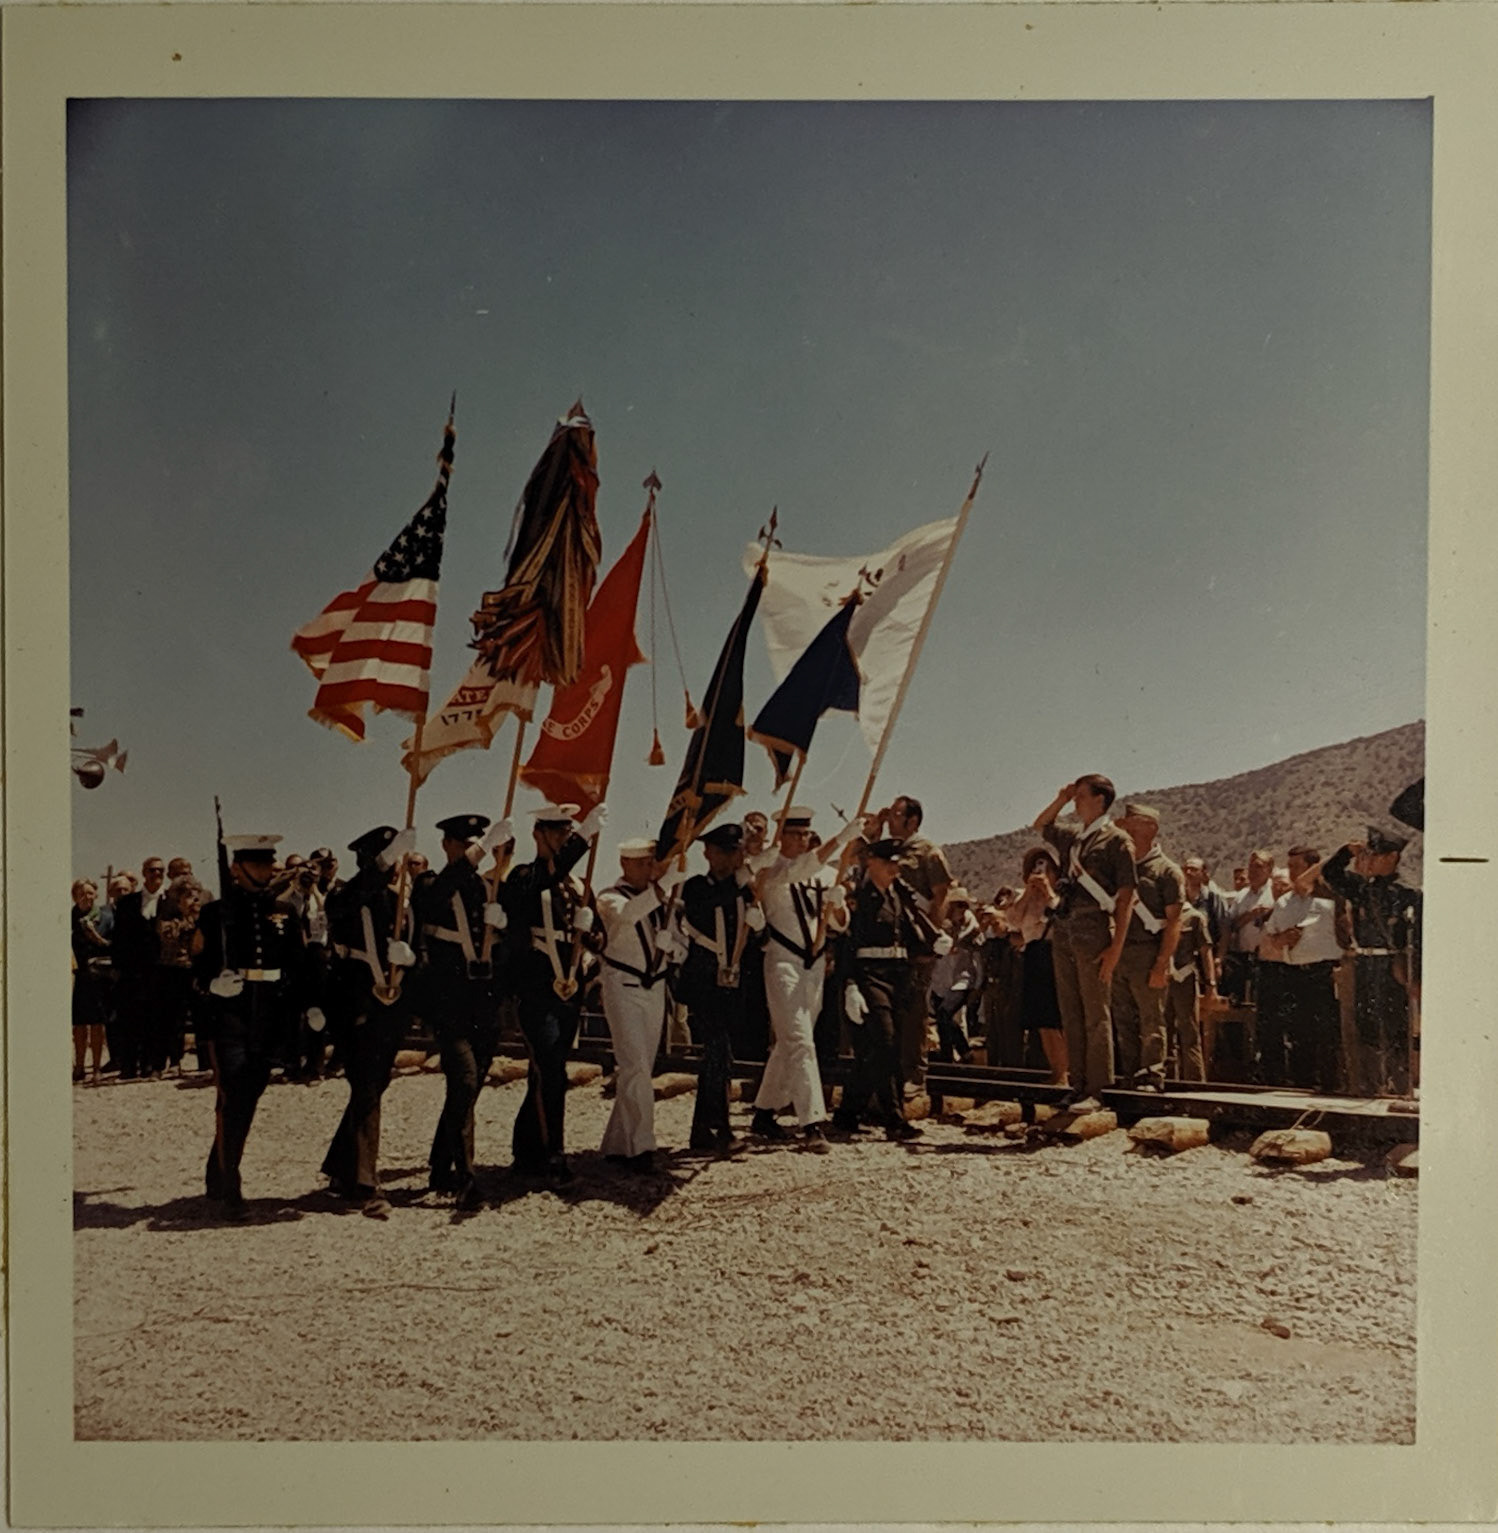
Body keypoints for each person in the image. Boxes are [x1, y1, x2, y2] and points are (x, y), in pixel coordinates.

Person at [191, 834, 314, 1220]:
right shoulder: (215, 914)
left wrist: (309, 1006)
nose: (267, 869)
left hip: (270, 1014)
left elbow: (299, 965)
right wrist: (211, 983)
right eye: (258, 864)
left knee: (247, 1094)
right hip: (230, 1014)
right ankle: (232, 1190)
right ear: (237, 869)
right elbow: (195, 967)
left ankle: (218, 1169)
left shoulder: (284, 911)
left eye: (269, 863)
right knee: (234, 1091)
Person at [746, 807, 860, 1153]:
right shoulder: (770, 870)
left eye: (806, 834)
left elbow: (840, 924)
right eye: (794, 834)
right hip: (783, 961)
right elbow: (799, 869)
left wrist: (838, 906)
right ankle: (812, 1122)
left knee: (791, 1041)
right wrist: (841, 840)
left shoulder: (826, 874)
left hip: (814, 965)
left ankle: (764, 1113)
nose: (802, 840)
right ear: (781, 836)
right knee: (799, 1041)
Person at [504, 802, 608, 1183]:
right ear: (538, 834)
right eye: (559, 832)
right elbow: (544, 879)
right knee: (551, 1069)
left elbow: (601, 940)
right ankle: (553, 1155)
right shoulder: (525, 876)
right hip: (536, 988)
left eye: (569, 832)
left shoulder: (581, 887)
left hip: (570, 988)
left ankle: (526, 1149)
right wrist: (584, 838)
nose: (565, 837)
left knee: (545, 1071)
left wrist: (592, 934)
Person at [320, 824, 418, 1218]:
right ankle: (365, 1183)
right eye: (389, 859)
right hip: (354, 1002)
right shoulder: (346, 894)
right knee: (365, 1087)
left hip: (390, 1005)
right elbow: (356, 895)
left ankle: (341, 1167)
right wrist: (383, 861)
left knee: (375, 1084)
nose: (396, 868)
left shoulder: (398, 903)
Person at [415, 812, 512, 1208]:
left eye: (476, 843)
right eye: (465, 844)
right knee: (465, 1081)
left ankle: (441, 1165)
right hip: (448, 999)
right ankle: (466, 1176)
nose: (471, 851)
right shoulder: (430, 883)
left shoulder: (486, 888)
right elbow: (435, 899)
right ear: (447, 846)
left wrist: (501, 926)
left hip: (483, 999)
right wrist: (480, 852)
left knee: (466, 1089)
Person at [1033, 775, 1137, 1110]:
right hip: (1065, 928)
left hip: (1094, 929)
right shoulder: (1074, 837)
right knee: (1071, 1010)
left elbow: (1125, 899)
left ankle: (1098, 1088)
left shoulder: (1117, 841)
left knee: (1095, 1012)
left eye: (1080, 796)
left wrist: (1115, 948)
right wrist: (1060, 798)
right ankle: (1077, 1084)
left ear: (1100, 799)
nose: (1076, 802)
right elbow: (1041, 824)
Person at [832, 837, 945, 1140]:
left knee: (872, 1051)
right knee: (886, 1042)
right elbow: (848, 945)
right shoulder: (859, 899)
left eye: (897, 863)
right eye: (888, 863)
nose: (894, 869)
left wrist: (934, 943)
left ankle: (847, 1113)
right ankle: (894, 1119)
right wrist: (850, 984)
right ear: (871, 863)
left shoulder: (899, 897)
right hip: (869, 977)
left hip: (897, 977)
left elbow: (909, 936)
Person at [1307, 827, 1421, 1097]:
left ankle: (1401, 1087)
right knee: (1367, 1026)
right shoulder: (1360, 888)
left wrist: (1414, 975)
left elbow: (1418, 939)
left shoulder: (1408, 894)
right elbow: (1330, 874)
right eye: (1368, 854)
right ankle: (1372, 1086)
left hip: (1392, 966)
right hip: (1365, 964)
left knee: (1396, 1027)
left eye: (1376, 854)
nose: (1369, 859)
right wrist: (1347, 851)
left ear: (1392, 857)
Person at [672, 821, 760, 1154]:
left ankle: (703, 1130)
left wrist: (759, 926)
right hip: (704, 978)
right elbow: (706, 907)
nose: (739, 857)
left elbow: (746, 933)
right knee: (717, 1053)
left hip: (733, 981)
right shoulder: (696, 886)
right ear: (712, 855)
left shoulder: (745, 889)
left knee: (721, 1055)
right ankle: (718, 1128)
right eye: (732, 852)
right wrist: (740, 884)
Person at [596, 837, 680, 1171]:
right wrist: (666, 888)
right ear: (625, 864)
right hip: (623, 986)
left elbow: (681, 942)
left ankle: (619, 1143)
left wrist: (672, 947)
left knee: (642, 1065)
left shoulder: (662, 903)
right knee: (635, 1066)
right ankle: (643, 1147)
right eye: (643, 863)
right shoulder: (610, 898)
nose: (650, 869)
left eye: (652, 863)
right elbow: (630, 914)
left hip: (654, 987)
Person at [867, 795, 951, 1095]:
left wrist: (931, 936)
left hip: (917, 941)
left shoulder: (928, 851)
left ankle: (915, 1074)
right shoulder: (887, 851)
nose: (890, 819)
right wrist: (873, 831)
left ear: (912, 820)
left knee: (916, 1009)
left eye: (896, 814)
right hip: (891, 941)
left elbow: (941, 894)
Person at [1108, 803, 1184, 1092]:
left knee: (1152, 1020)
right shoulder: (1120, 868)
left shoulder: (1167, 871)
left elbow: (1174, 921)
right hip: (1120, 951)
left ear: (1151, 828)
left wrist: (1162, 963)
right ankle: (1130, 1076)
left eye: (1133, 823)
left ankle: (1152, 1076)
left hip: (1149, 950)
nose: (1125, 828)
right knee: (1123, 1018)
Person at [1260, 845, 1343, 1092]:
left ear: (1310, 867)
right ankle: (1302, 1085)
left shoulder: (1329, 897)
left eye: (1297, 866)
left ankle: (1330, 1085)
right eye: (1290, 866)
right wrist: (1281, 939)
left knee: (1327, 1031)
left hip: (1325, 971)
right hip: (1294, 972)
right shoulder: (1285, 902)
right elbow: (1270, 935)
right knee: (1298, 1031)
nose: (1292, 871)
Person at [1005, 848, 1067, 1082]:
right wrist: (1028, 893)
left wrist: (1048, 890)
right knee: (1043, 1020)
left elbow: (1061, 912)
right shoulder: (1028, 898)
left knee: (1060, 1017)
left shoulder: (1062, 893)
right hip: (1033, 953)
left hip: (1055, 953)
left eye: (1045, 868)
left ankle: (1070, 1071)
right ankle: (1057, 1071)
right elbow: (1013, 921)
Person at [110, 856, 168, 1079]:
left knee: (156, 1018)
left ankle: (152, 1065)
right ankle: (128, 1065)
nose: (156, 874)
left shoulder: (170, 900)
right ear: (144, 873)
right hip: (132, 971)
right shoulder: (128, 903)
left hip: (161, 970)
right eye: (152, 870)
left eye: (160, 871)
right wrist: (118, 966)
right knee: (130, 1018)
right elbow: (118, 938)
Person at [153, 875, 207, 1076]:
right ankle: (174, 1061)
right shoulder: (167, 918)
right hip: (172, 971)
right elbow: (169, 936)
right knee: (174, 1018)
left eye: (196, 896)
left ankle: (205, 1062)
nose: (194, 900)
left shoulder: (203, 917)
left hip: (195, 970)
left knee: (201, 1015)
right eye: (188, 896)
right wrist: (188, 917)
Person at [928, 888, 983, 1064]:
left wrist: (978, 984)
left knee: (944, 1012)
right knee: (942, 1018)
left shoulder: (971, 927)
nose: (962, 909)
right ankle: (948, 1057)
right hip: (940, 980)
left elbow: (976, 951)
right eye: (959, 905)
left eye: (964, 906)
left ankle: (963, 1051)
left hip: (963, 980)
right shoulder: (940, 926)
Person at [1164, 898, 1216, 1082]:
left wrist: (1210, 983)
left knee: (1189, 1031)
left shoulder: (1194, 917)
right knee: (1164, 1032)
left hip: (1184, 976)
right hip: (1162, 978)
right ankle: (1169, 1080)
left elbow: (1205, 951)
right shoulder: (1160, 914)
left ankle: (1195, 1082)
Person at [1219, 849, 1276, 1006]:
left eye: (1258, 867)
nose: (1253, 871)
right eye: (1250, 867)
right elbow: (1231, 925)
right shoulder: (1241, 896)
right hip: (1242, 958)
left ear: (1269, 870)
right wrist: (1249, 916)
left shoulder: (1275, 892)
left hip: (1267, 959)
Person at [71, 879, 112, 1083]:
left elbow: (111, 945)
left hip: (98, 975)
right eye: (80, 893)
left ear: (96, 894)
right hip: (79, 976)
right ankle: (79, 1066)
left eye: (89, 893)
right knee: (78, 1024)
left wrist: (94, 935)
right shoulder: (69, 917)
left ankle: (96, 1067)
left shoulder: (105, 916)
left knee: (97, 1023)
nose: (85, 897)